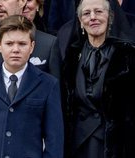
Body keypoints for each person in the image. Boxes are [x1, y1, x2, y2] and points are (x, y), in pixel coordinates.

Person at [0, 14, 64, 158]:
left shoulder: (48, 84)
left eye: (22, 44)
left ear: (32, 46)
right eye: (9, 43)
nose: (15, 49)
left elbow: (54, 139)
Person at [56, 0, 135, 157]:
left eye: (98, 12)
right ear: (80, 21)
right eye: (86, 13)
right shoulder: (70, 55)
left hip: (115, 144)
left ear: (110, 17)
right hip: (77, 143)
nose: (92, 17)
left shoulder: (127, 55)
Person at [22, 0, 61, 78]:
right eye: (20, 0)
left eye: (29, 0)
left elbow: (55, 85)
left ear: (38, 5)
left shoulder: (50, 43)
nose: (25, 5)